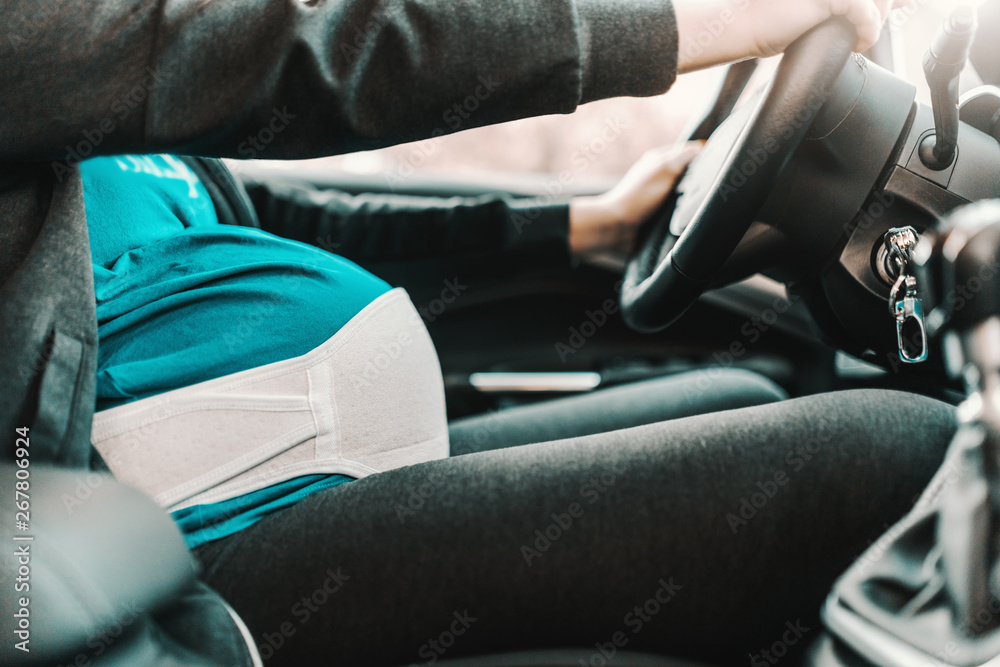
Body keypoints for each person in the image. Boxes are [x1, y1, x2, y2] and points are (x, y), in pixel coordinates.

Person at [0, 0, 954, 664]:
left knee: (740, 394)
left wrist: (581, 227)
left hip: (298, 475)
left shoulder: (106, 115)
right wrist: (686, 19)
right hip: (157, 566)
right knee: (897, 459)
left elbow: (282, 221)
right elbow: (295, 44)